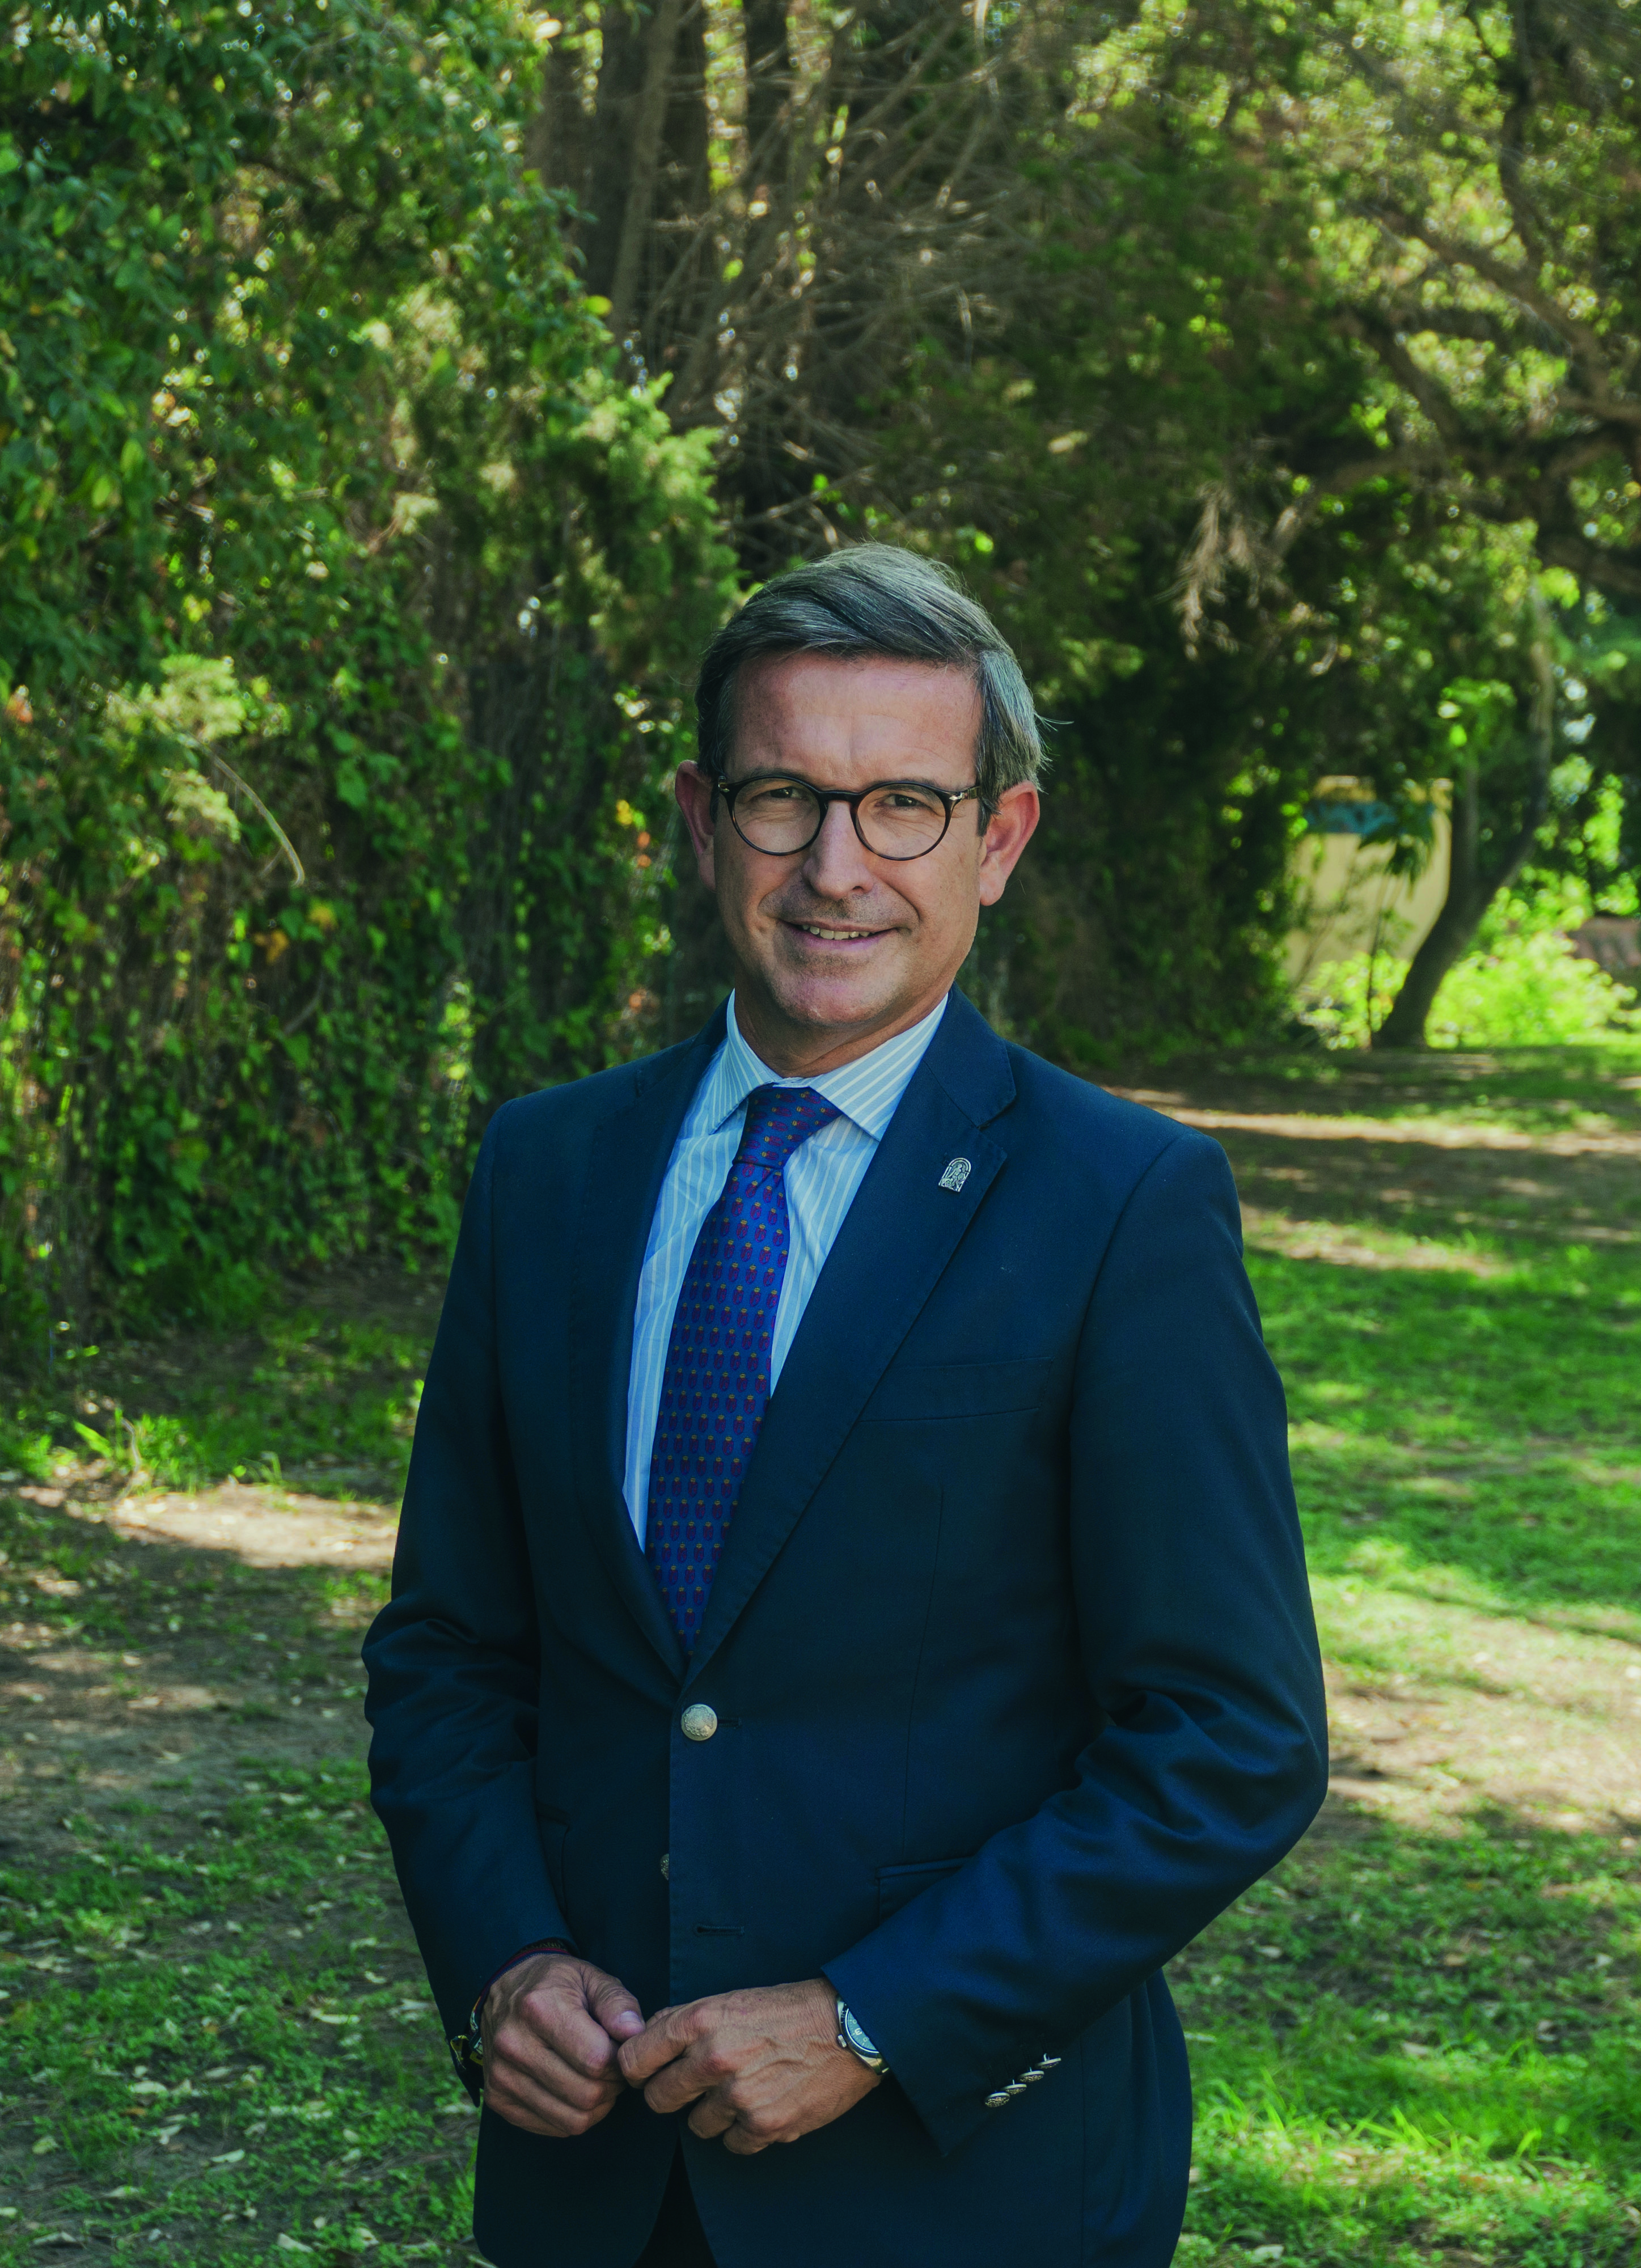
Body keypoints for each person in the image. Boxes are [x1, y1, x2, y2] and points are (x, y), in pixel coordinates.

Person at [362, 544, 1329, 2268]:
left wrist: (876, 2017)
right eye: (781, 798)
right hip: (596, 2175)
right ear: (696, 816)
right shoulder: (548, 1171)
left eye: (901, 806)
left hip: (960, 2194)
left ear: (999, 839)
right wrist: (503, 1957)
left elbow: (1231, 1742)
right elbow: (451, 1646)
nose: (835, 868)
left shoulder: (1122, 1207)